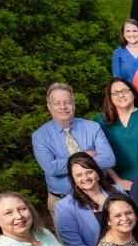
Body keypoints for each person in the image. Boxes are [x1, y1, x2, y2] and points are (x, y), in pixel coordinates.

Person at [32, 83, 115, 217]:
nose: (63, 107)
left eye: (67, 102)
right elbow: (51, 169)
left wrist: (63, 163)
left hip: (98, 196)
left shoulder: (93, 127)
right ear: (49, 106)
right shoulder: (39, 136)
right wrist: (86, 156)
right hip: (62, 200)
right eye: (57, 103)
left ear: (74, 104)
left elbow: (109, 159)